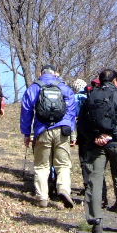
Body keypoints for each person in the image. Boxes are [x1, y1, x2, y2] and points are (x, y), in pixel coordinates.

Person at [75, 68, 117, 233]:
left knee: (94, 180)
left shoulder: (91, 96)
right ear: (116, 80)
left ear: (99, 80)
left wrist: (96, 137)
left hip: (96, 145)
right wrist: (111, 135)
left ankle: (96, 221)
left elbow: (82, 123)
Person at [19, 66, 77, 208]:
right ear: (55, 74)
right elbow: (73, 110)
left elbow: (26, 111)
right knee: (63, 164)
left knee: (42, 166)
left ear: (40, 73)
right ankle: (63, 189)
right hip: (62, 130)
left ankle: (42, 197)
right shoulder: (64, 87)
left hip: (42, 130)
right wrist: (71, 130)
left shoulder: (34, 88)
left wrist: (27, 133)